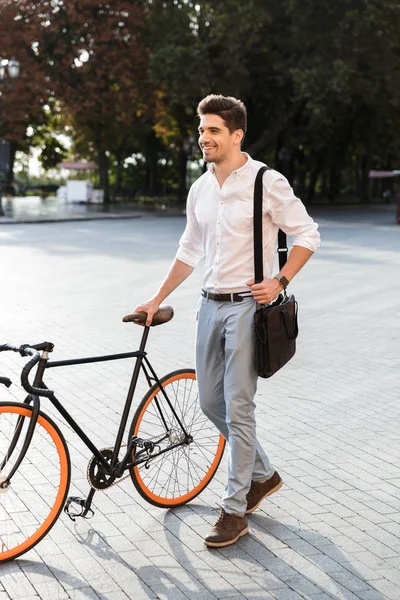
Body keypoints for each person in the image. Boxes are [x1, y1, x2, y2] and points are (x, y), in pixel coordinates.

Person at [133, 94, 320, 548]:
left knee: (238, 407)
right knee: (209, 403)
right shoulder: (200, 189)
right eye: (201, 130)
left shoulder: (265, 182)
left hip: (247, 309)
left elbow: (307, 233)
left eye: (213, 130)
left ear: (237, 135)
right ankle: (263, 475)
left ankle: (234, 511)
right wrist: (155, 298)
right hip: (208, 305)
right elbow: (189, 250)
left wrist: (280, 279)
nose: (204, 138)